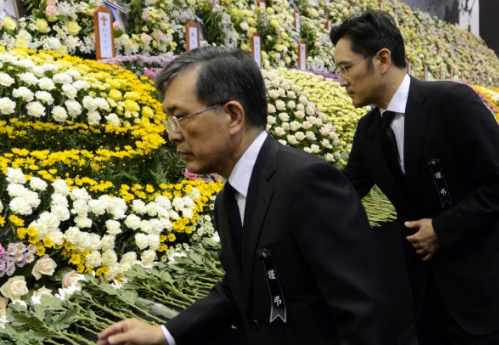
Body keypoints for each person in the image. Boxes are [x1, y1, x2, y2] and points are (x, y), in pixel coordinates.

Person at [97, 46, 398, 345]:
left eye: (182, 117)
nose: (173, 134)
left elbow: (366, 314)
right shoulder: (228, 198)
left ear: (232, 116)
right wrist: (165, 333)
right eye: (170, 120)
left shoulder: (307, 184)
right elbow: (240, 288)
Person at [330, 9, 499, 345]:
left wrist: (443, 228)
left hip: (483, 294)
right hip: (426, 301)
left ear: (382, 59)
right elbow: (341, 192)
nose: (341, 80)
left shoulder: (450, 102)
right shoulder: (368, 131)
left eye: (346, 67)